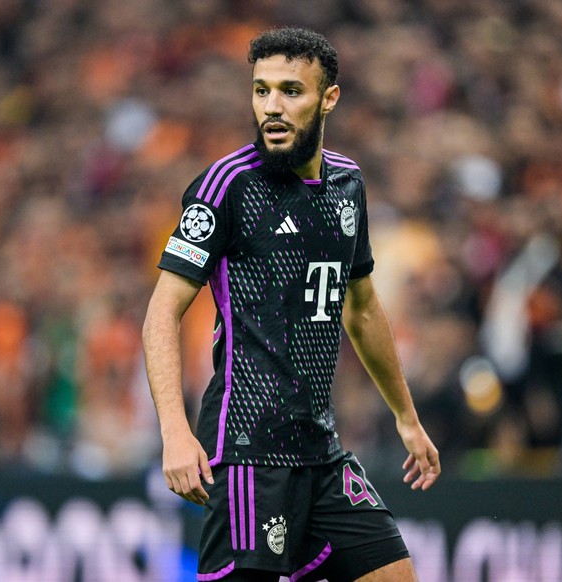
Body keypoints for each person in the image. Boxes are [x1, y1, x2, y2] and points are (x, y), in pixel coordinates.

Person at [142, 26, 440, 582]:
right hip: (248, 451)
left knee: (396, 574)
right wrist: (175, 433)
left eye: (290, 91)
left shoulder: (348, 185)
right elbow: (162, 311)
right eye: (261, 91)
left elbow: (364, 308)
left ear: (329, 97)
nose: (271, 107)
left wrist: (407, 417)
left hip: (320, 449)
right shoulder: (226, 187)